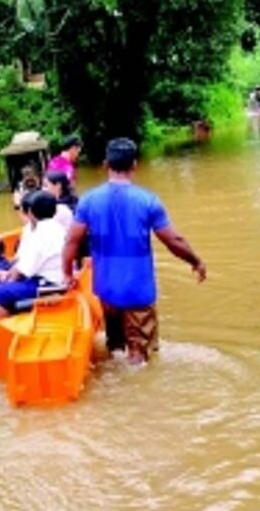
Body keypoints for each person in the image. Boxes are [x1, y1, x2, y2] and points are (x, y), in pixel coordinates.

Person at [62, 138, 207, 365]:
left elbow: (71, 241)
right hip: (137, 291)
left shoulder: (88, 201)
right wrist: (196, 261)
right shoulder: (148, 201)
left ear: (105, 165)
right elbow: (173, 240)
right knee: (139, 359)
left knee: (116, 350)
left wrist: (67, 274)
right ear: (135, 165)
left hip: (106, 290)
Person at [0, 191, 66, 318]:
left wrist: (7, 282)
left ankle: (7, 330)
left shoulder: (41, 233)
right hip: (53, 279)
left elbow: (20, 271)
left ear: (30, 212)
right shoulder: (58, 228)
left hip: (49, 286)